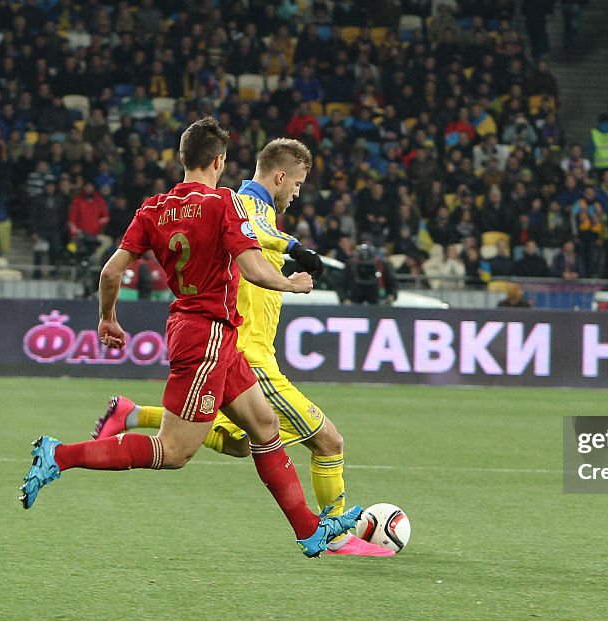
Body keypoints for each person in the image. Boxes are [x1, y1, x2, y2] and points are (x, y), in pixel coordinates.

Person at [19, 119, 362, 558]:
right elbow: (254, 268)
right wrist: (293, 285)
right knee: (174, 451)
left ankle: (309, 530)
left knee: (264, 427)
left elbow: (110, 272)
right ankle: (60, 455)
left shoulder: (154, 207)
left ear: (184, 158)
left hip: (209, 332)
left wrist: (107, 319)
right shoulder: (224, 205)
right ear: (219, 161)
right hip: (208, 336)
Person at [92, 138, 392, 556]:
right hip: (245, 353)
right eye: (299, 184)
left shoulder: (259, 221)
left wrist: (282, 259)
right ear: (281, 176)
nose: (298, 193)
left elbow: (254, 249)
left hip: (242, 353)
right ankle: (337, 534)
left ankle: (133, 412)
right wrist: (294, 249)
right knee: (329, 441)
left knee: (239, 443)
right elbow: (256, 227)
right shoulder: (243, 203)